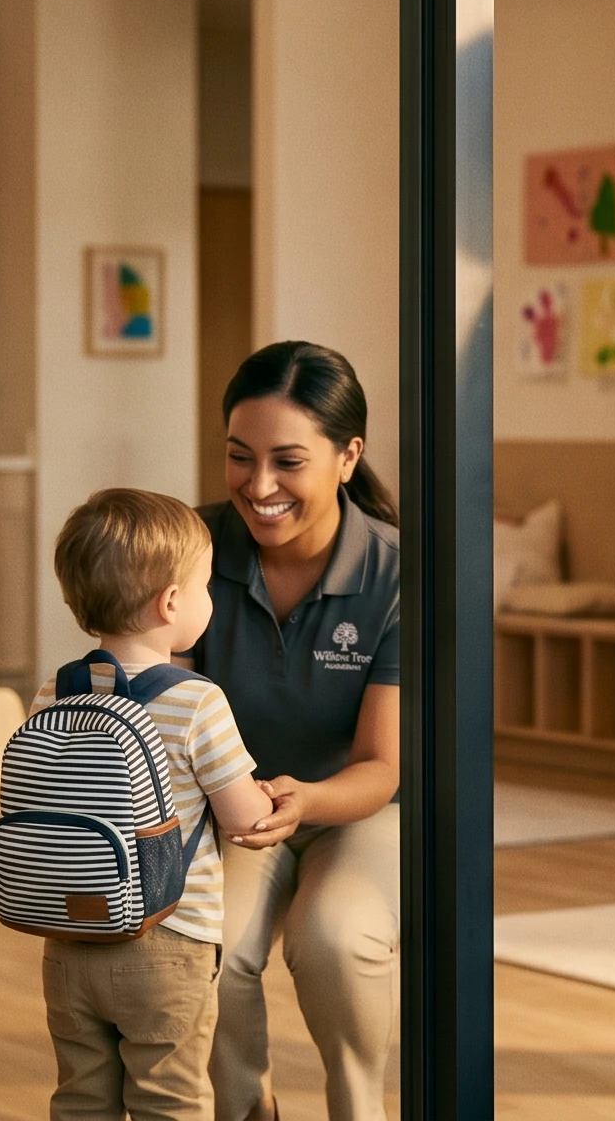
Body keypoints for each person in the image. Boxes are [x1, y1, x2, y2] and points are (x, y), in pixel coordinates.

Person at [190, 342, 403, 1121]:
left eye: (288, 461)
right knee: (206, 942)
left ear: (349, 456)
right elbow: (161, 703)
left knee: (334, 939)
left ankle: (357, 1108)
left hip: (360, 810)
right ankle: (247, 1111)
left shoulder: (395, 574)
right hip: (234, 812)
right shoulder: (192, 551)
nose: (260, 486)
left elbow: (381, 765)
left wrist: (304, 798)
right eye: (239, 458)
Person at [35, 489, 277, 1121]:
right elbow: (244, 818)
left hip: (68, 935)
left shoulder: (50, 695)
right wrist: (269, 801)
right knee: (169, 1100)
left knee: (80, 1098)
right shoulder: (197, 702)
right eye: (204, 585)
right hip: (168, 942)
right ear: (171, 603)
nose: (209, 598)